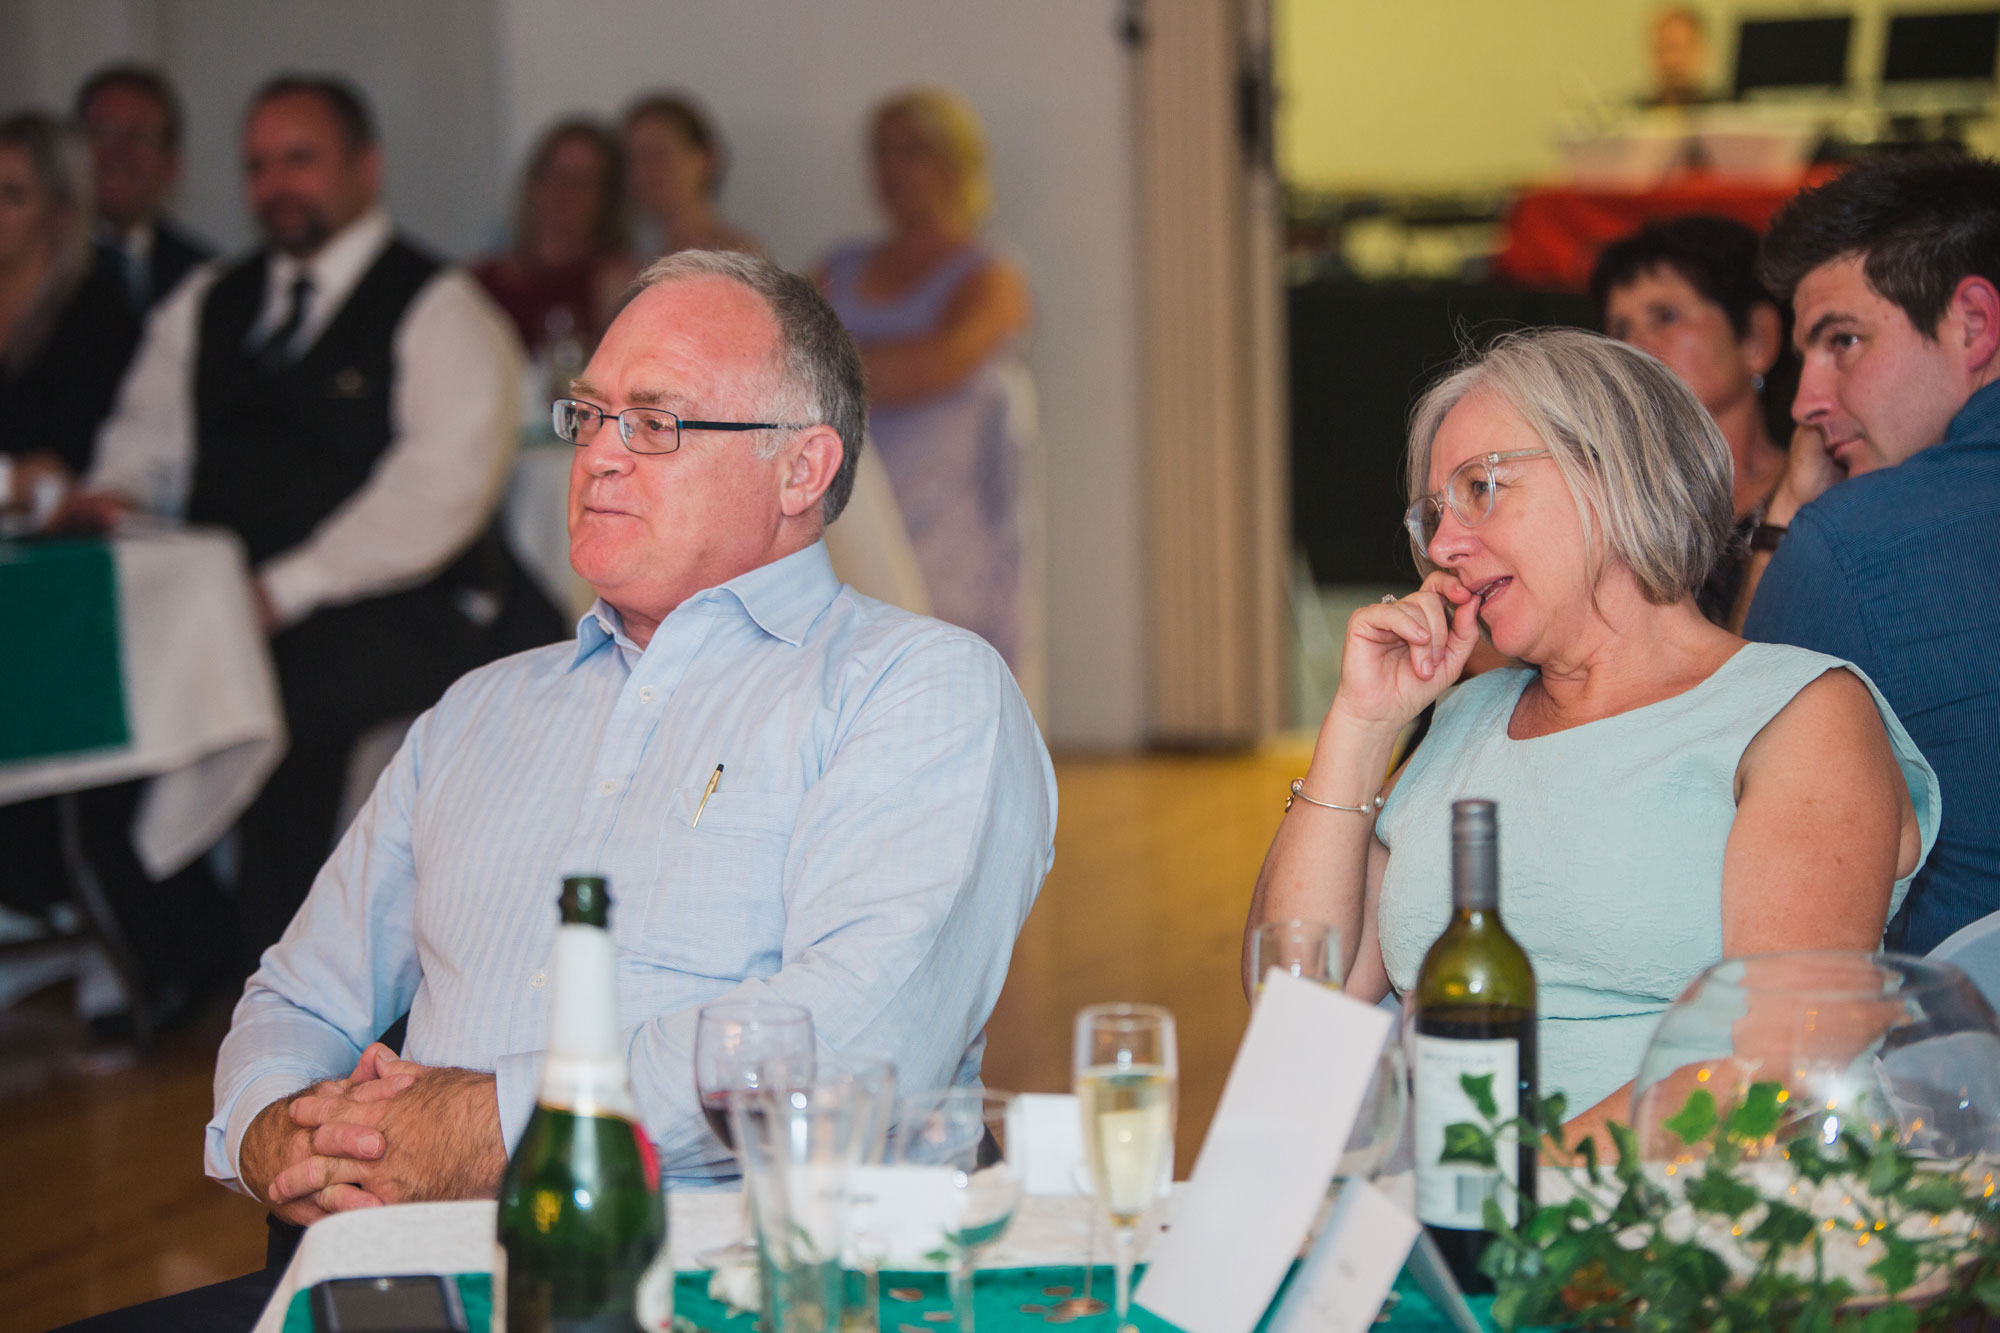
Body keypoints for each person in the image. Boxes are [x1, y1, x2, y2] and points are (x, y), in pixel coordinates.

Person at [57, 250, 1057, 1332]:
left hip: (733, 1289)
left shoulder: (910, 690)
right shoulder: (480, 711)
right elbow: (302, 993)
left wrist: (493, 1123)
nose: (599, 458)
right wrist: (276, 1130)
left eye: (657, 422)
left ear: (801, 469)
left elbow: (855, 1041)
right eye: (587, 416)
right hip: (411, 1278)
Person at [1245, 328, 1935, 1138]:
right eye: (1432, 514)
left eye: (1480, 488)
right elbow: (1295, 1002)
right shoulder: (1469, 718)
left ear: (1611, 472)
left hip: (1679, 1230)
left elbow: (1775, 1061)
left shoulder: (1798, 713)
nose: (1442, 546)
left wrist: (1501, 1201)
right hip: (1456, 1222)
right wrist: (1360, 725)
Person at [60, 74, 556, 965]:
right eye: (257, 166)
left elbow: (437, 493)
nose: (276, 184)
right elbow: (145, 440)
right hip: (235, 602)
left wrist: (282, 591)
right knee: (95, 687)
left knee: (287, 707)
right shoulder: (210, 301)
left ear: (366, 166)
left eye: (301, 159)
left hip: (412, 604)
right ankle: (172, 964)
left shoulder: (438, 305)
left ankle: (288, 989)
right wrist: (119, 493)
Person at [1742, 150, 2000, 955]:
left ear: (1973, 324)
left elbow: (1720, 808)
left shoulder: (1853, 544)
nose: (1804, 401)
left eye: (1843, 341)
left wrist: (1788, 519)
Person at [818, 87, 1032, 668]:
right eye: (881, 153)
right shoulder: (841, 266)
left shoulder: (989, 275)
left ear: (955, 162)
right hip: (839, 498)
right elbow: (776, 353)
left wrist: (834, 363)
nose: (892, 169)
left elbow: (936, 365)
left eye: (911, 151)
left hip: (939, 516)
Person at [1591, 215, 1793, 627]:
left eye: (1665, 317)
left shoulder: (1823, 493)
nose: (1635, 349)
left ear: (1757, 338)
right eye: (1620, 329)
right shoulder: (1608, 508)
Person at [0, 112, 140, 486]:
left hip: (53, 533)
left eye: (12, 196)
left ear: (61, 213)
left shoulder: (97, 316)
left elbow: (70, 460)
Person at [471, 117, 638, 359]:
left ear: (605, 199)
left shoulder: (615, 284)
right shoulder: (483, 279)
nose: (563, 192)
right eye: (554, 174)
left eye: (581, 183)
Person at [73, 64, 212, 313]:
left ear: (172, 166)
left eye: (139, 138)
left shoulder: (202, 278)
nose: (116, 154)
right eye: (102, 133)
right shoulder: (33, 265)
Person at [621, 92, 760, 258]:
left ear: (707, 157)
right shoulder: (627, 262)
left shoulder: (739, 256)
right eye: (633, 159)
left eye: (659, 154)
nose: (642, 172)